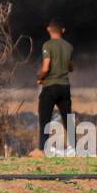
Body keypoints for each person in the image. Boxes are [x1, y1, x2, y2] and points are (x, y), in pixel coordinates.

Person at [31, 20, 74, 157]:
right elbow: (70, 67)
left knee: (45, 119)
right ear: (63, 30)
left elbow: (45, 67)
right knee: (67, 118)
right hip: (65, 86)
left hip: (50, 87)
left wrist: (40, 77)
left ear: (49, 29)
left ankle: (43, 149)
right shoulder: (68, 46)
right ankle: (74, 147)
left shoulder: (47, 45)